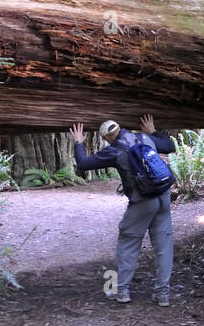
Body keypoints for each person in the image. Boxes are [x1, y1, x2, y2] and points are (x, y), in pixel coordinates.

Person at [69, 114, 176, 307]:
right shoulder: (145, 138)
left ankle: (122, 290)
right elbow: (169, 146)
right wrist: (153, 131)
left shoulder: (114, 150)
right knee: (164, 245)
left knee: (129, 242)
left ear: (106, 137)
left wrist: (78, 143)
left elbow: (83, 164)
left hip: (143, 202)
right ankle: (163, 294)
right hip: (164, 196)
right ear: (120, 128)